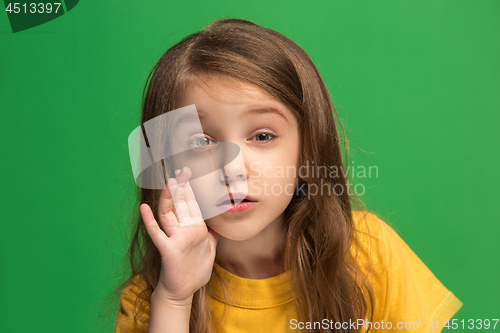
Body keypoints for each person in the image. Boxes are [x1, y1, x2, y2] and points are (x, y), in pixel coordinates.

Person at [114, 18, 462, 333]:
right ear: (165, 162)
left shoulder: (368, 255)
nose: (232, 169)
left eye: (262, 136)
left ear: (307, 148)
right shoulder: (152, 301)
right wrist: (175, 300)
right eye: (201, 141)